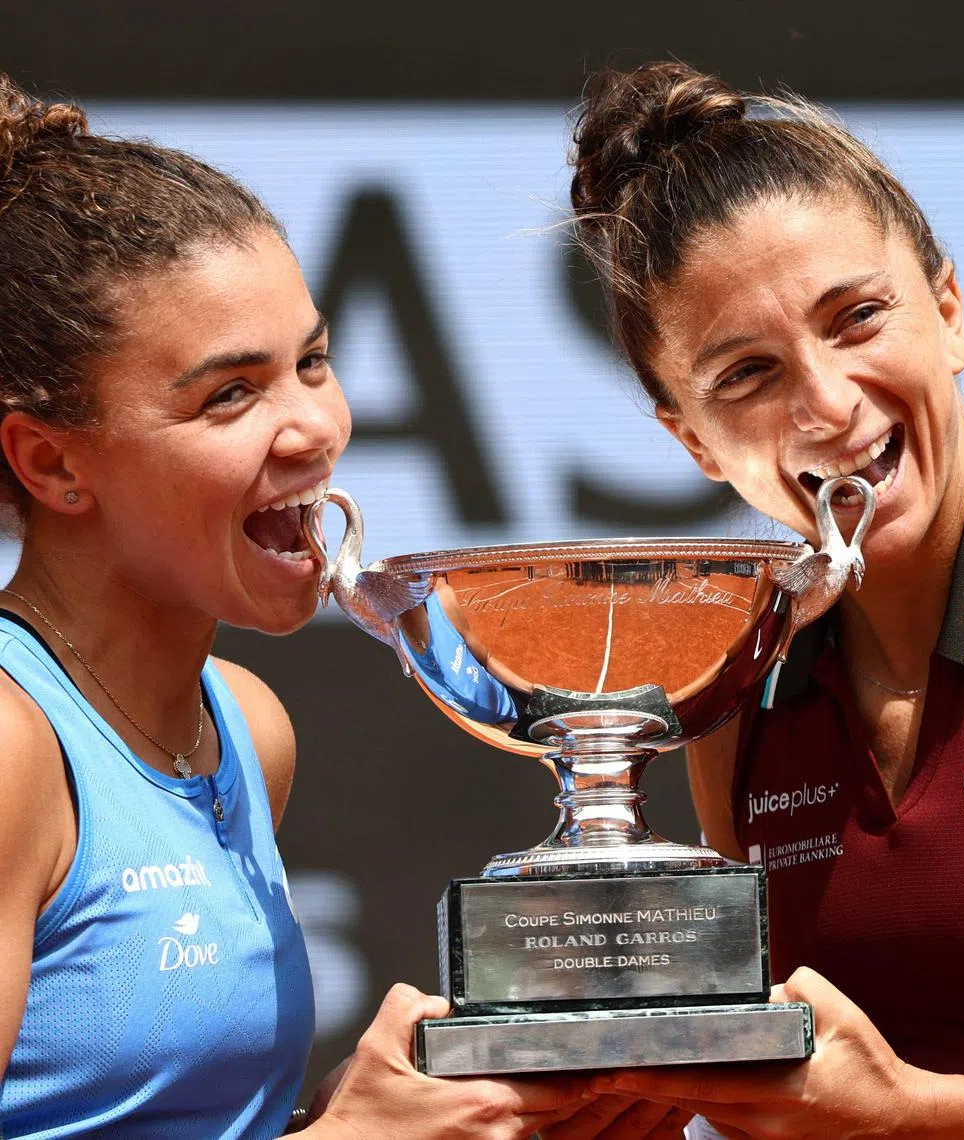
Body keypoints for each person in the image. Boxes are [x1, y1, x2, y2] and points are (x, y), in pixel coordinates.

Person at [0, 75, 609, 1138]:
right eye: (229, 395)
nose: (313, 429)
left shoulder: (245, 726)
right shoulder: (10, 748)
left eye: (313, 363)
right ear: (52, 463)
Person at [558, 61, 964, 1138]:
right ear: (689, 442)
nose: (828, 404)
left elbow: (883, 1110)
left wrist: (916, 1115)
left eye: (858, 316)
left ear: (949, 309)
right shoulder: (737, 691)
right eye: (747, 375)